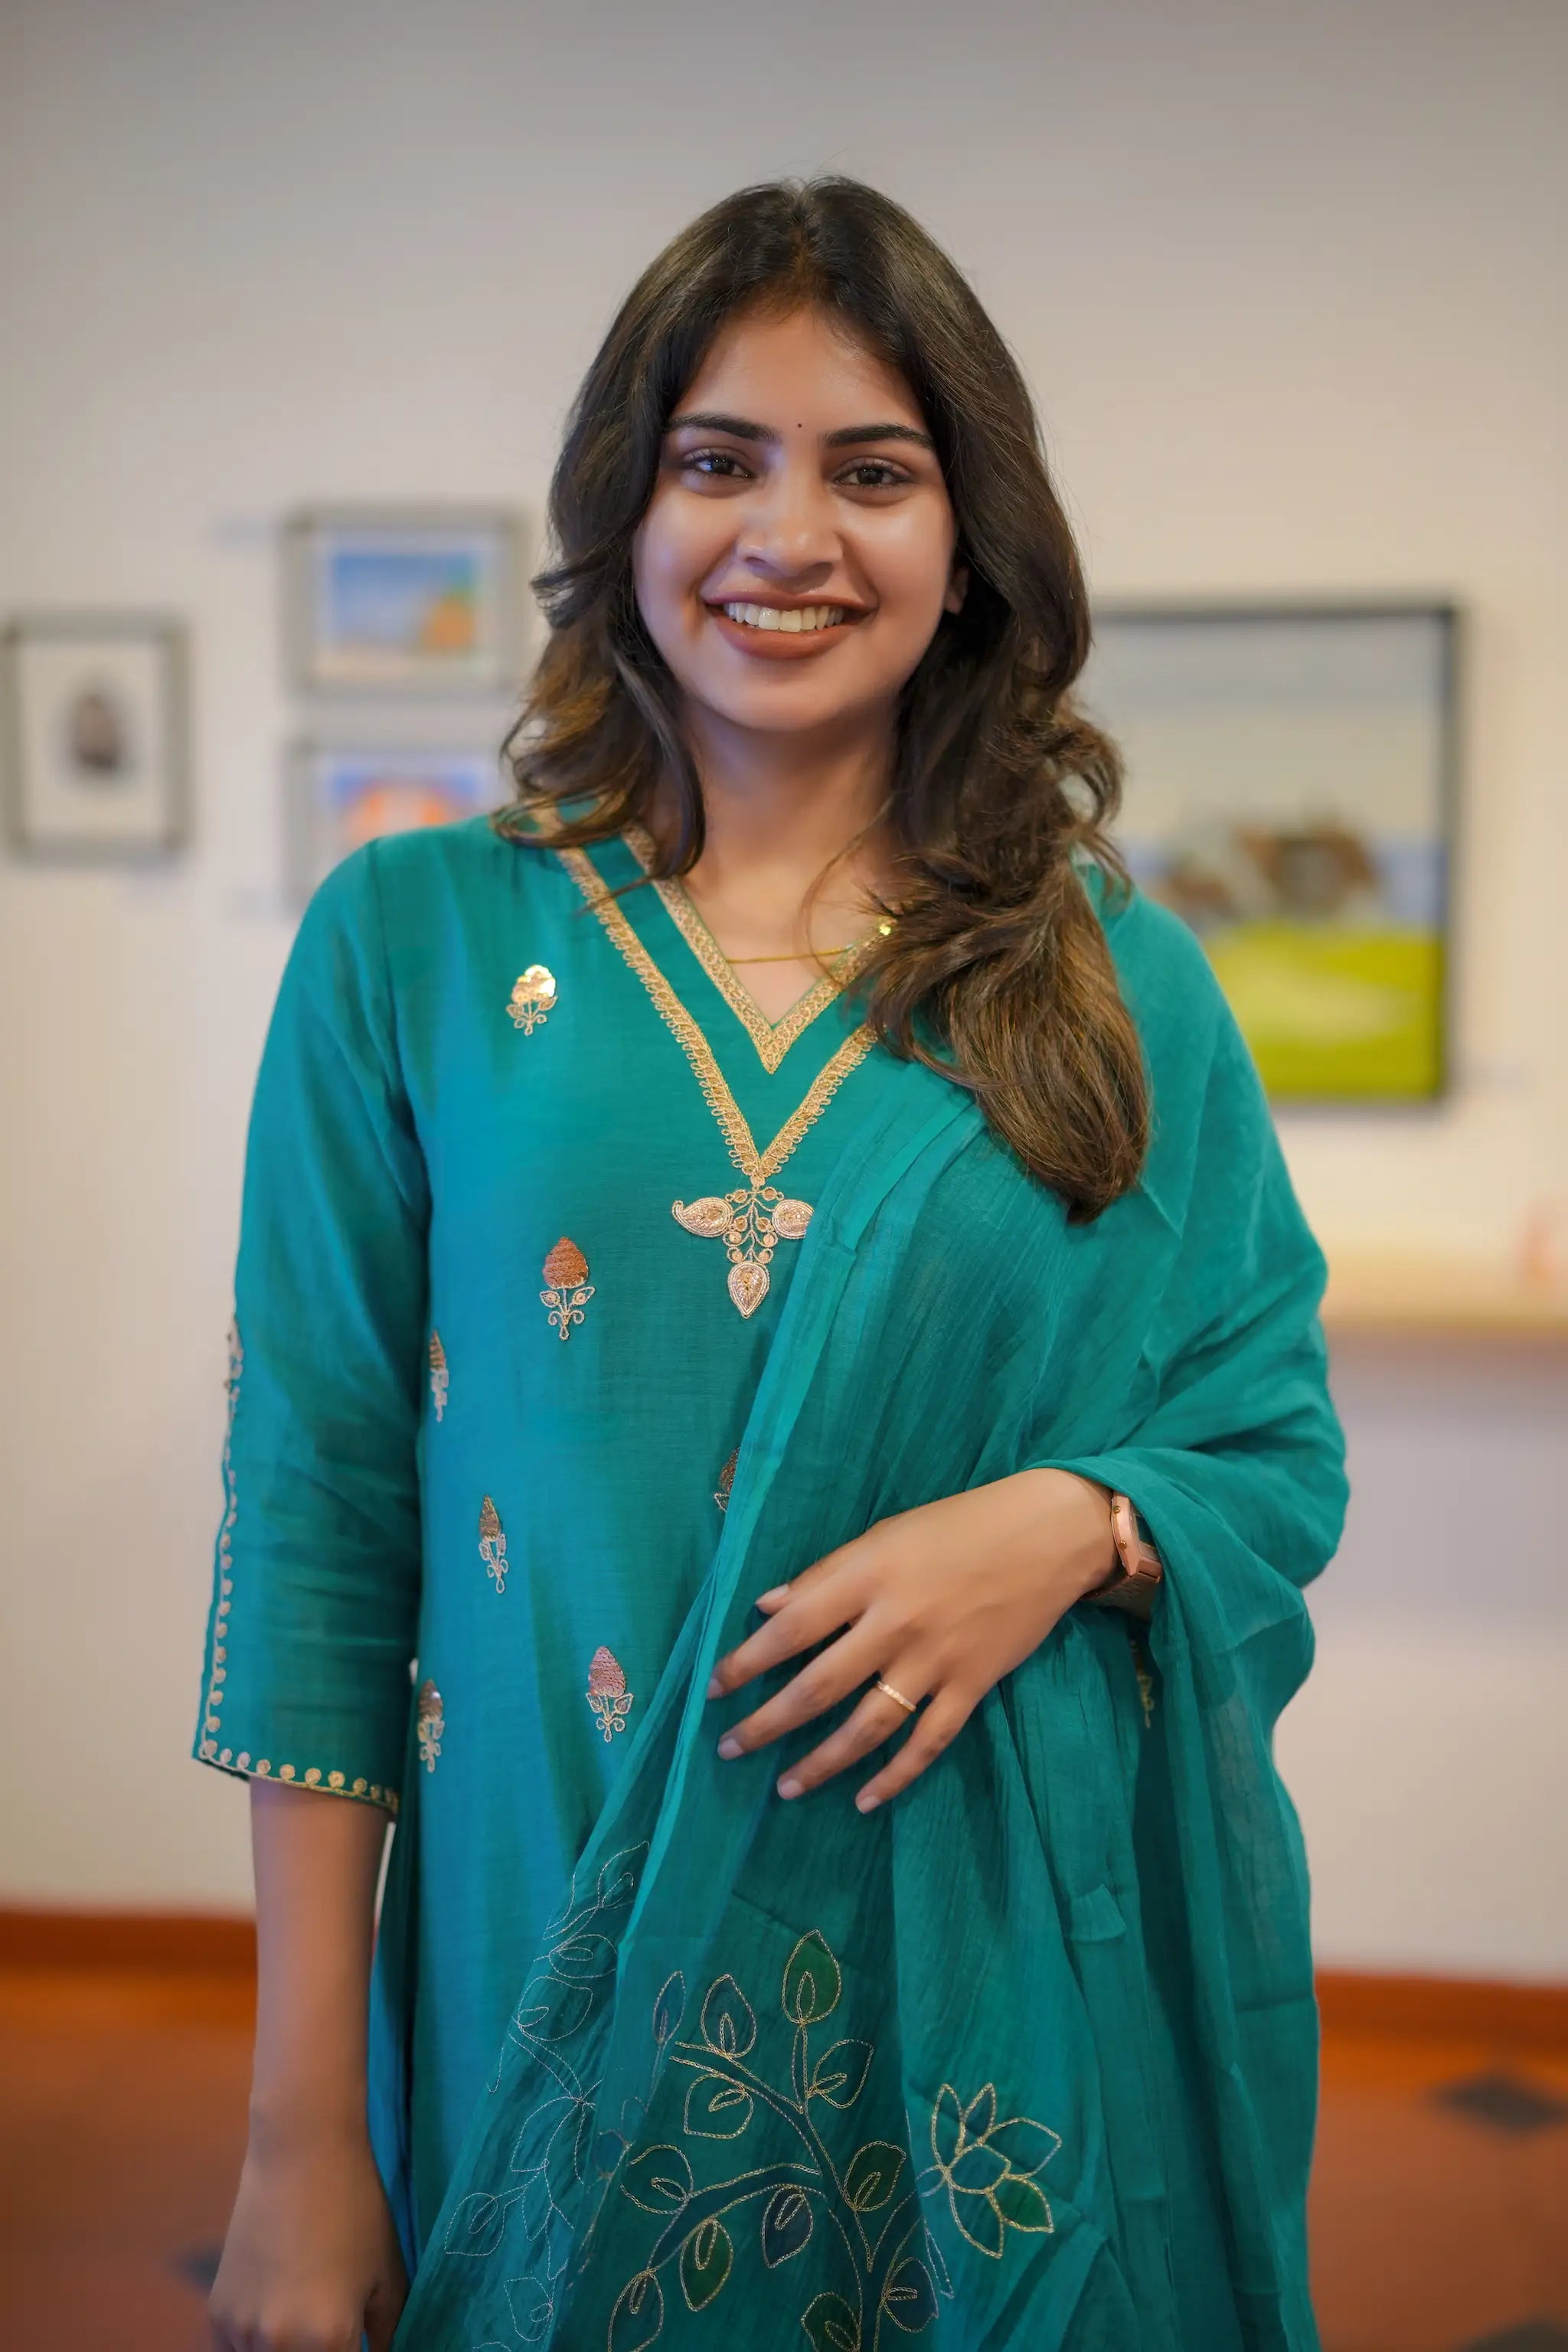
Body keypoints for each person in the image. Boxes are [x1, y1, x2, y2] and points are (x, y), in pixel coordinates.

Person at [199, 177, 1347, 2352]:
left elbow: (1267, 1441)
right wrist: (294, 2133)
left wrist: (1073, 1525)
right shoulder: (420, 944)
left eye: (874, 470)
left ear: (969, 537)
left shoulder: (1117, 987)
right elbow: (321, 1523)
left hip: (979, 2021)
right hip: (540, 1957)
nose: (786, 534)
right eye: (717, 459)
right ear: (624, 511)